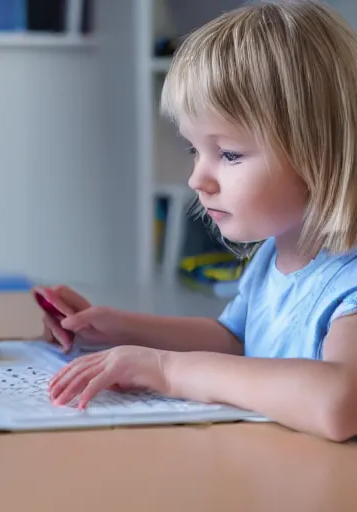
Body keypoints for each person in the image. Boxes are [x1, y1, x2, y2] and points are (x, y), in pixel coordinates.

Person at [39, 0, 357, 442]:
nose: (197, 179)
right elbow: (233, 341)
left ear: (319, 150)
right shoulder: (275, 254)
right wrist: (118, 329)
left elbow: (339, 403)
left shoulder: (349, 280)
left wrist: (168, 370)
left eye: (228, 153)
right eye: (194, 150)